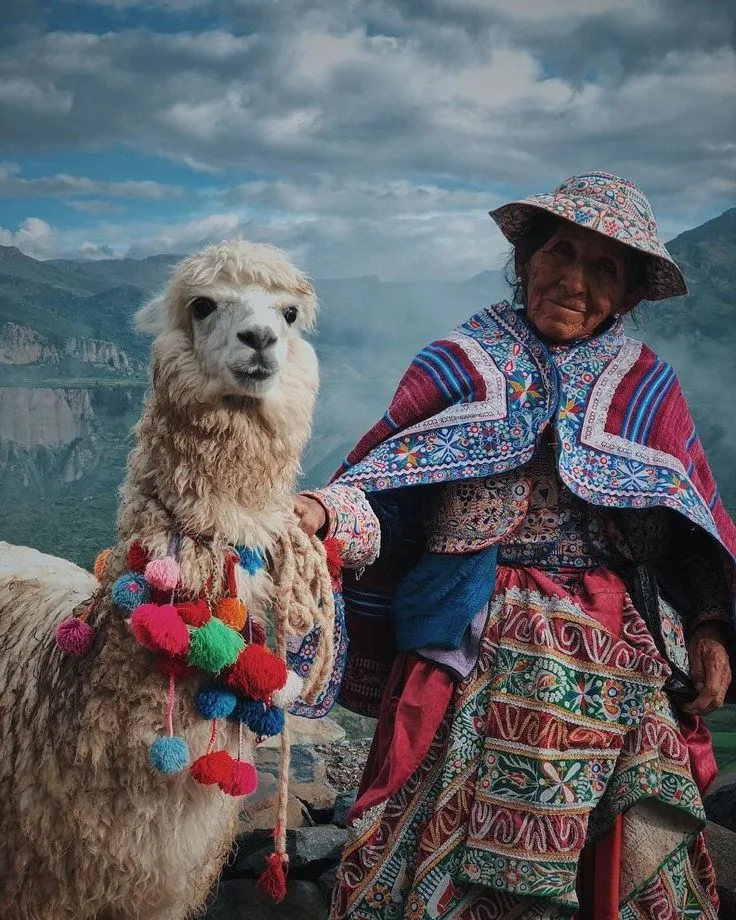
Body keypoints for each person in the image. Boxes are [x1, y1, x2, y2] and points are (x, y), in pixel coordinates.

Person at [293, 171, 736, 919]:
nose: (574, 280)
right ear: (526, 259)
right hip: (468, 648)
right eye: (560, 253)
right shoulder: (459, 362)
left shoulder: (647, 387)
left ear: (628, 296)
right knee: (429, 849)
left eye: (604, 269)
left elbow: (695, 531)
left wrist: (711, 628)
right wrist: (324, 513)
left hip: (620, 662)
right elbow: (387, 497)